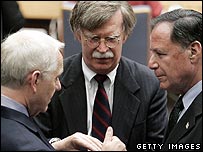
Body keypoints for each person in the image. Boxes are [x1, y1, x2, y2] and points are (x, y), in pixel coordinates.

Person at [35, 1, 168, 151]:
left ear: (125, 35)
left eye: (111, 39)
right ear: (78, 35)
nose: (103, 49)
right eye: (94, 39)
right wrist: (57, 147)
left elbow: (157, 146)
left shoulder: (150, 85)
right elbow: (33, 141)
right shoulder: (52, 80)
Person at [1, 30, 126, 151]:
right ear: (35, 80)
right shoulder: (24, 143)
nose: (58, 86)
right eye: (55, 78)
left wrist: (56, 146)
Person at [148, 9, 202, 151]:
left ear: (193, 52)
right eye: (152, 53)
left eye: (160, 54)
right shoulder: (183, 102)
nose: (151, 64)